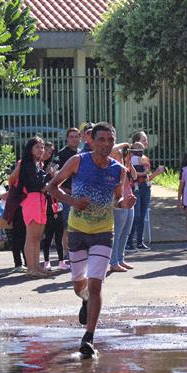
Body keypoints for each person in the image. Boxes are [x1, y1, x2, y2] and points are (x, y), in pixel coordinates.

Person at [45, 122, 135, 358]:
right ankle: (84, 300)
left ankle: (89, 337)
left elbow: (116, 202)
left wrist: (125, 203)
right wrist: (73, 202)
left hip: (104, 232)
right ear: (92, 141)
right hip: (77, 230)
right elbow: (51, 187)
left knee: (96, 284)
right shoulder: (78, 161)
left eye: (110, 140)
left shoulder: (118, 170)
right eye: (102, 139)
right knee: (79, 285)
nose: (106, 144)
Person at [19, 137, 54, 278]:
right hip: (32, 200)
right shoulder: (28, 165)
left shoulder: (37, 165)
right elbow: (38, 184)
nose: (41, 150)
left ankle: (37, 266)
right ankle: (31, 268)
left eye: (42, 147)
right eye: (38, 147)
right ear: (30, 149)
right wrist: (49, 175)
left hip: (40, 200)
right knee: (32, 236)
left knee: (38, 237)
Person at [127, 131, 165, 251]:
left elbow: (146, 177)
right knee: (136, 215)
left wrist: (156, 173)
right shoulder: (131, 158)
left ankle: (139, 242)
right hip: (136, 188)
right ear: (135, 144)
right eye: (143, 140)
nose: (146, 143)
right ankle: (129, 242)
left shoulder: (144, 158)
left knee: (142, 215)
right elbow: (132, 174)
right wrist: (144, 173)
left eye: (146, 140)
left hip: (145, 187)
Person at [109, 143, 137, 272]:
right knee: (118, 233)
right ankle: (113, 261)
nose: (121, 152)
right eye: (120, 151)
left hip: (129, 200)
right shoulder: (112, 163)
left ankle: (120, 259)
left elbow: (135, 176)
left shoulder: (124, 164)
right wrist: (124, 144)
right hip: (119, 201)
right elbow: (113, 149)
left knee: (126, 232)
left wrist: (128, 161)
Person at [57, 127, 81, 269]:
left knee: (78, 224)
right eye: (71, 136)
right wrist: (63, 190)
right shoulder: (61, 154)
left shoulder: (82, 154)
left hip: (79, 194)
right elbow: (55, 175)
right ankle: (66, 251)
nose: (74, 139)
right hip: (66, 194)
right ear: (67, 138)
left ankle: (77, 249)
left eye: (77, 136)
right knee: (66, 224)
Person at [40, 142, 65, 271]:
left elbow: (59, 181)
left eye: (51, 152)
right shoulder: (40, 167)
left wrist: (56, 175)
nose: (49, 154)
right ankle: (46, 261)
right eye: (47, 151)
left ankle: (61, 261)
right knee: (48, 236)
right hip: (46, 205)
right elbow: (42, 187)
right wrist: (50, 175)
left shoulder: (54, 165)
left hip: (57, 204)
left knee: (59, 235)